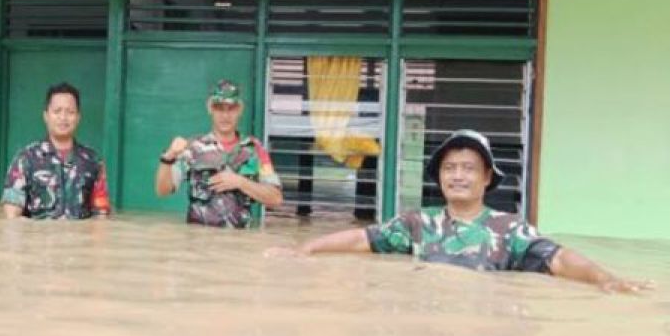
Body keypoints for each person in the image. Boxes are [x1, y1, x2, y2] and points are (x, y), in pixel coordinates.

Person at [270, 129, 649, 293]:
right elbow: (361, 239)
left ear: (487, 177)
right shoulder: (418, 223)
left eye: (469, 168)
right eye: (450, 168)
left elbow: (561, 260)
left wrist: (603, 278)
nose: (458, 176)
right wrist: (306, 250)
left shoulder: (508, 230)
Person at [155, 79, 283, 228]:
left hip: (238, 244)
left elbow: (276, 198)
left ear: (240, 110)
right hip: (197, 244)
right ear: (210, 109)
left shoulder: (254, 149)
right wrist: (168, 158)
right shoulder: (193, 148)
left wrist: (241, 182)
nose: (225, 115)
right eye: (219, 108)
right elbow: (163, 190)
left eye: (231, 108)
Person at [2, 82, 111, 219]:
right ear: (46, 116)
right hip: (37, 238)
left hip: (79, 239)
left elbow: (101, 218)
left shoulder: (93, 161)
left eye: (70, 112)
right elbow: (12, 217)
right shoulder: (26, 159)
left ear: (78, 117)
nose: (63, 118)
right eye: (57, 111)